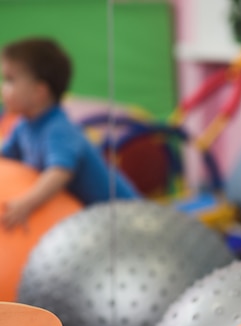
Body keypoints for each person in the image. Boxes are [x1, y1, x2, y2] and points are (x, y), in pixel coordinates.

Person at [0, 37, 138, 229]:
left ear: (38, 92)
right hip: (92, 220)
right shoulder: (24, 125)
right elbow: (6, 155)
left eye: (9, 80)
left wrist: (27, 203)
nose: (3, 88)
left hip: (125, 214)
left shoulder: (59, 128)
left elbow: (60, 171)